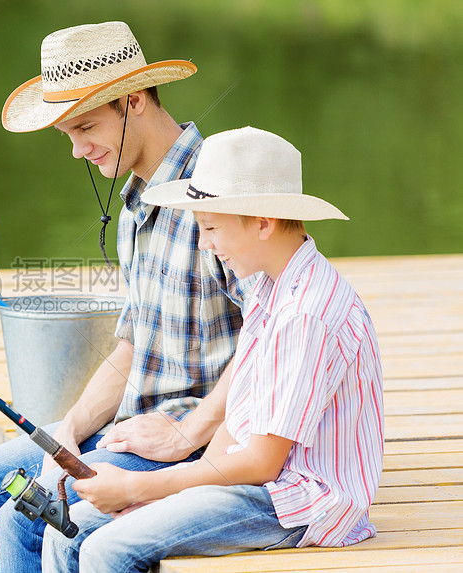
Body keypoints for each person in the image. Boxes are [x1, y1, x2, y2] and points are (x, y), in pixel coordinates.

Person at [0, 22, 252, 572]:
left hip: (195, 443)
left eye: (85, 127)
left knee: (22, 515)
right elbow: (133, 347)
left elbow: (271, 337)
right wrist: (65, 433)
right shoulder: (134, 206)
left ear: (133, 101)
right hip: (130, 427)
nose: (76, 150)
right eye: (66, 134)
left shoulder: (217, 191)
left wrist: (189, 432)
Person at [41, 126, 385, 572]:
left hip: (297, 501)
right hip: (256, 485)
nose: (204, 244)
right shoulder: (266, 286)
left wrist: (140, 487)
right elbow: (237, 422)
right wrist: (172, 495)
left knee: (108, 549)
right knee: (68, 528)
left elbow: (263, 462)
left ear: (263, 222)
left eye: (209, 227)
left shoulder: (306, 313)